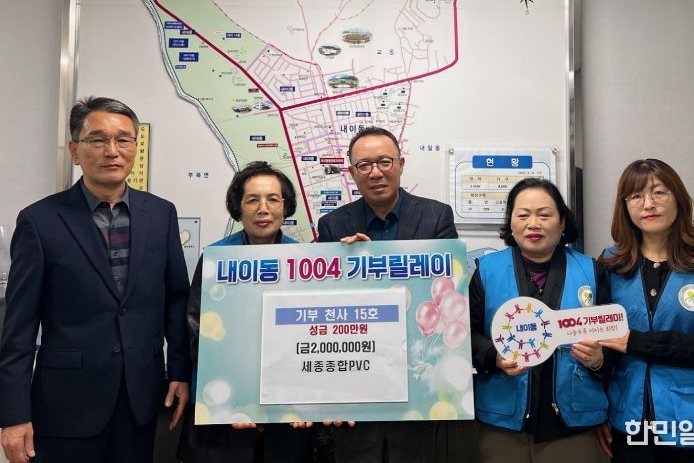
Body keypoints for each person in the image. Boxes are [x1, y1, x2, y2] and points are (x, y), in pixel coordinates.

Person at [0, 97, 191, 463]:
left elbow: (175, 300)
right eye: (98, 140)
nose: (112, 151)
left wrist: (180, 372)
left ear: (135, 146)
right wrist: (13, 414)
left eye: (123, 139)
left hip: (140, 398)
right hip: (66, 403)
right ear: (75, 151)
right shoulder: (40, 221)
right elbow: (19, 326)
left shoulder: (161, 214)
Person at [317, 126, 458, 462]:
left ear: (401, 164)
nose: (375, 172)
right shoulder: (333, 225)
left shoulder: (436, 216)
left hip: (417, 378)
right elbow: (326, 304)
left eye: (384, 161)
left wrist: (380, 269)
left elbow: (448, 290)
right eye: (364, 165)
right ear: (352, 172)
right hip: (356, 375)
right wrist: (353, 270)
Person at [598, 158, 694, 462]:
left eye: (659, 192)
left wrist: (636, 342)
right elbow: (603, 344)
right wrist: (598, 410)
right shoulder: (610, 265)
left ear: (678, 198)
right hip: (631, 420)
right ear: (624, 206)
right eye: (636, 195)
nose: (648, 204)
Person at [177, 161, 316, 463]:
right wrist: (236, 397)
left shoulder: (306, 261)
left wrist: (306, 398)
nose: (263, 209)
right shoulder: (216, 258)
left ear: (285, 207)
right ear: (238, 207)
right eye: (252, 199)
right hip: (224, 408)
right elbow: (198, 331)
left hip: (288, 411)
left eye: (273, 199)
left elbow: (312, 335)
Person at [470, 178, 609, 463]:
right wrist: (494, 357)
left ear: (562, 222)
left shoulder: (592, 271)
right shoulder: (486, 271)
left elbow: (614, 338)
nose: (533, 224)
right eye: (523, 215)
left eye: (544, 215)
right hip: (503, 423)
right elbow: (465, 335)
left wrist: (599, 359)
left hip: (574, 426)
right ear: (511, 223)